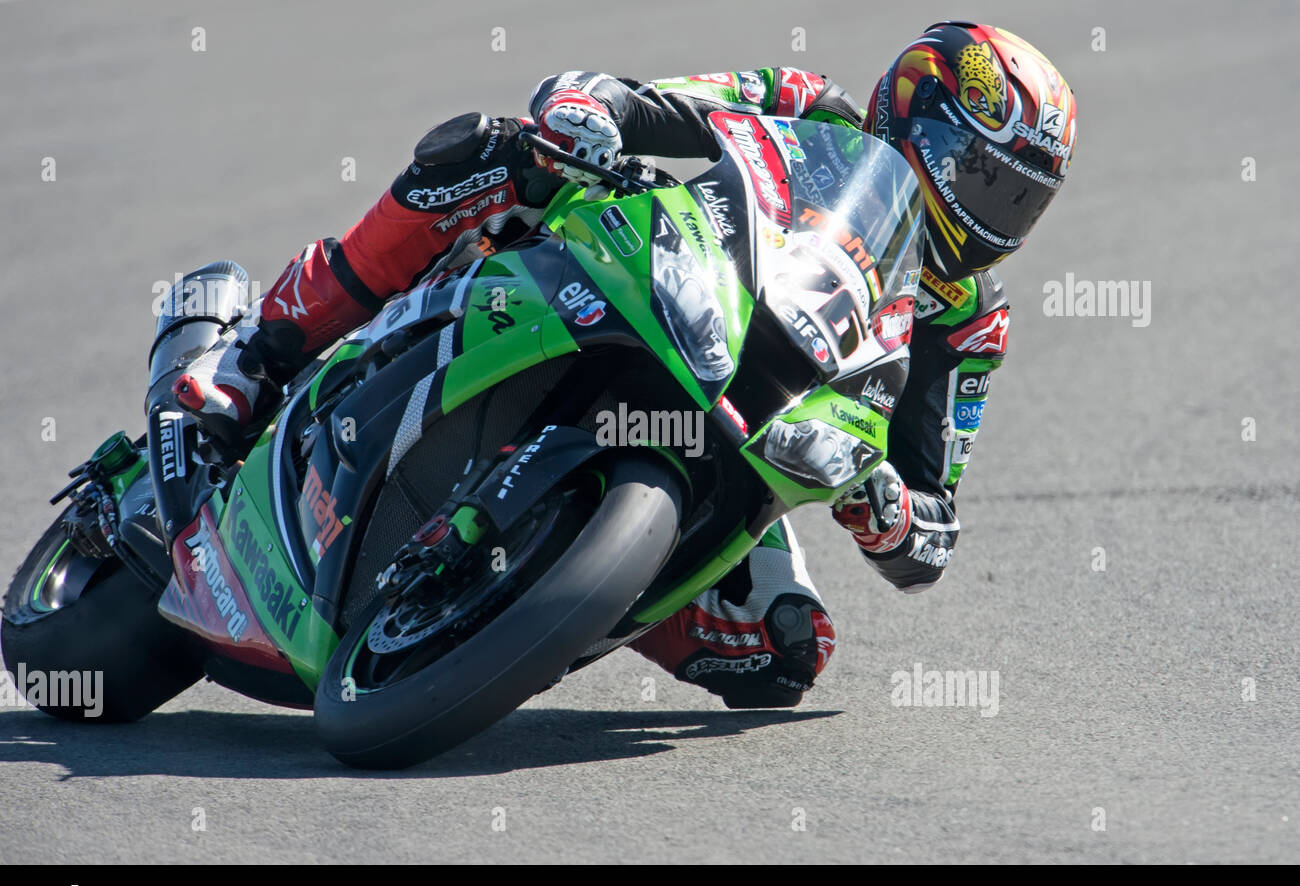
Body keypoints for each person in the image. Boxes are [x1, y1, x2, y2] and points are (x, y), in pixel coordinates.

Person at [171, 21, 1077, 708]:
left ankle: (562, 591)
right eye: (984, 180)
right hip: (657, 282)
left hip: (759, 432)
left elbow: (932, 531)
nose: (997, 220)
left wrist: (886, 514)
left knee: (787, 649)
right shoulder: (809, 104)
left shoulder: (970, 322)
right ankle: (255, 352)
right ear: (913, 114)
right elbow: (649, 101)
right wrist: (588, 114)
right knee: (499, 154)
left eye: (1021, 202)